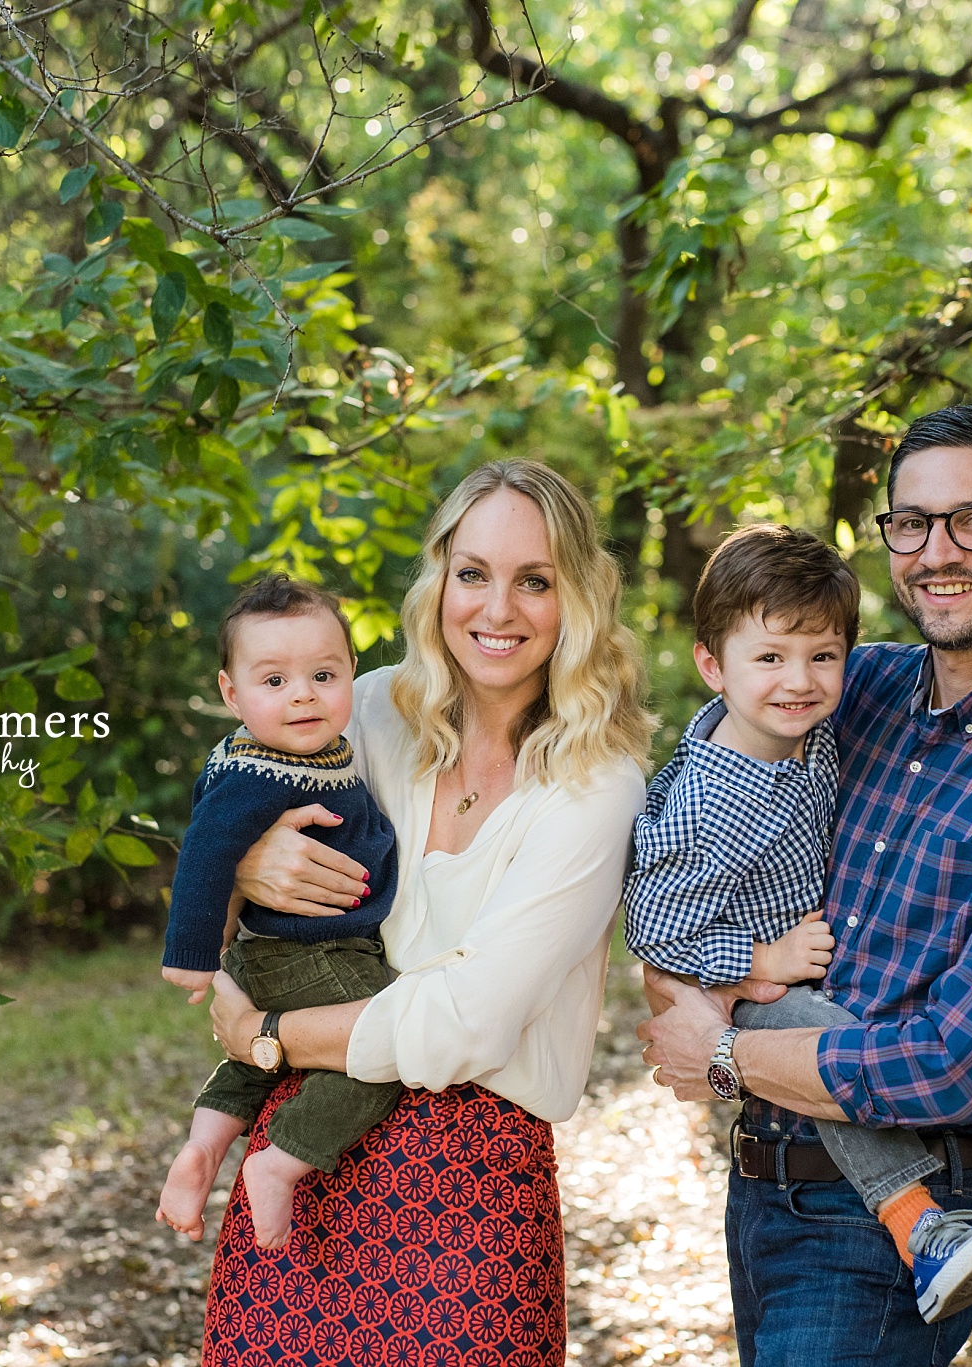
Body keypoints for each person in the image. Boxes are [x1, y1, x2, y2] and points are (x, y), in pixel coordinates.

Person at [638, 403, 972, 1366]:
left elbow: (956, 1061)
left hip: (906, 1206)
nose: (938, 551)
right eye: (912, 523)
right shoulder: (851, 689)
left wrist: (718, 1049)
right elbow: (694, 825)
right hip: (763, 1183)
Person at [197, 459, 653, 1367]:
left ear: (577, 601)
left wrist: (268, 1033)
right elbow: (225, 815)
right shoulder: (368, 710)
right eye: (474, 573)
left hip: (473, 1184)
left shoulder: (599, 783)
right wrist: (245, 859)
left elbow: (469, 1019)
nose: (498, 608)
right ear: (439, 578)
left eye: (536, 581)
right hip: (304, 1157)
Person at [622, 524, 972, 1323]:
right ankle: (920, 1223)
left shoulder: (804, 739)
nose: (798, 680)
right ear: (713, 664)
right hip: (758, 984)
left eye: (822, 656)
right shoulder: (712, 800)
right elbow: (654, 929)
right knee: (830, 1042)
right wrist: (756, 962)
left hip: (776, 978)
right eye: (768, 658)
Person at [152, 575, 402, 1251]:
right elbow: (206, 850)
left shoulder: (307, 749)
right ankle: (280, 1159)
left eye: (323, 674)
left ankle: (203, 1149)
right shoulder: (257, 770)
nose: (302, 694)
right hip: (308, 950)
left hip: (286, 948)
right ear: (231, 692)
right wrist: (192, 953)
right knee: (384, 1041)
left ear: (353, 670)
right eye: (274, 681)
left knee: (250, 1062)